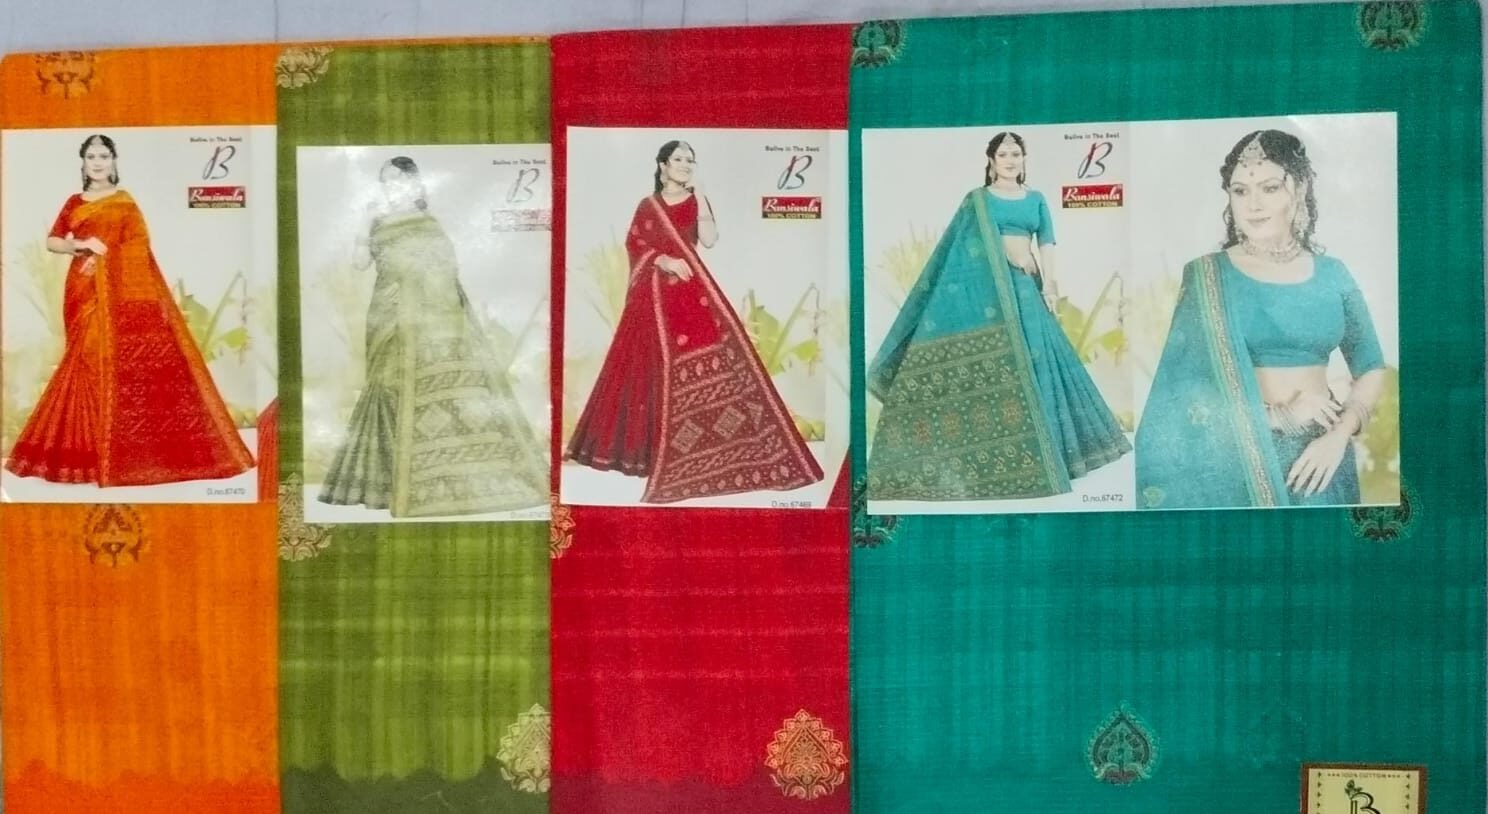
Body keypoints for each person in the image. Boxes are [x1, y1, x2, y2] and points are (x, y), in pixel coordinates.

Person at [867, 132, 1130, 503]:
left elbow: (1047, 243)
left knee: (1038, 358)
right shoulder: (978, 200)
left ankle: (1053, 454)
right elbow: (962, 244)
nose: (1010, 160)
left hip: (1026, 287)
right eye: (1003, 154)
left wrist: (1049, 285)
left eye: (1016, 153)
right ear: (991, 160)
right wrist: (1006, 253)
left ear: (1024, 159)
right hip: (988, 288)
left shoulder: (1036, 199)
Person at [1136, 129, 1388, 509]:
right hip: (1242, 456)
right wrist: (1282, 416)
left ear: (1299, 189)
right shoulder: (1207, 277)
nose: (1253, 204)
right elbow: (1181, 398)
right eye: (1240, 191)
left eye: (1269, 188)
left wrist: (1339, 436)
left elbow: (1370, 366)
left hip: (1323, 460)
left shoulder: (1334, 274)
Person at [565, 138, 824, 504]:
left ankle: (716, 450)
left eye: (691, 159)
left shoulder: (695, 200)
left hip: (690, 296)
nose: (686, 164)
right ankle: (645, 454)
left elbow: (710, 239)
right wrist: (662, 260)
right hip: (653, 299)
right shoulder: (648, 206)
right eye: (679, 159)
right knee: (646, 367)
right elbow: (634, 244)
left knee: (717, 361)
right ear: (663, 166)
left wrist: (701, 195)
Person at [6, 134, 255, 488]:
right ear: (83, 162)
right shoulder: (74, 201)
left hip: (115, 289)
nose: (97, 162)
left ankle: (101, 455)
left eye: (103, 156)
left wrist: (105, 261)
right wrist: (81, 245)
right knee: (83, 360)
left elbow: (138, 246)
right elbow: (53, 240)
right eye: (91, 156)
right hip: (81, 288)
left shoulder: (124, 202)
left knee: (98, 360)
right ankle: (82, 456)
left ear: (113, 161)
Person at [318, 156, 547, 518]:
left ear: (414, 183)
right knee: (384, 387)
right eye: (385, 180)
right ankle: (382, 487)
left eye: (397, 179)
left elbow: (446, 272)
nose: (391, 187)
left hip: (425, 322)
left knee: (408, 389)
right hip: (386, 315)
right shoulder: (377, 221)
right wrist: (363, 221)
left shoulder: (428, 224)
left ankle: (422, 481)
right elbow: (359, 264)